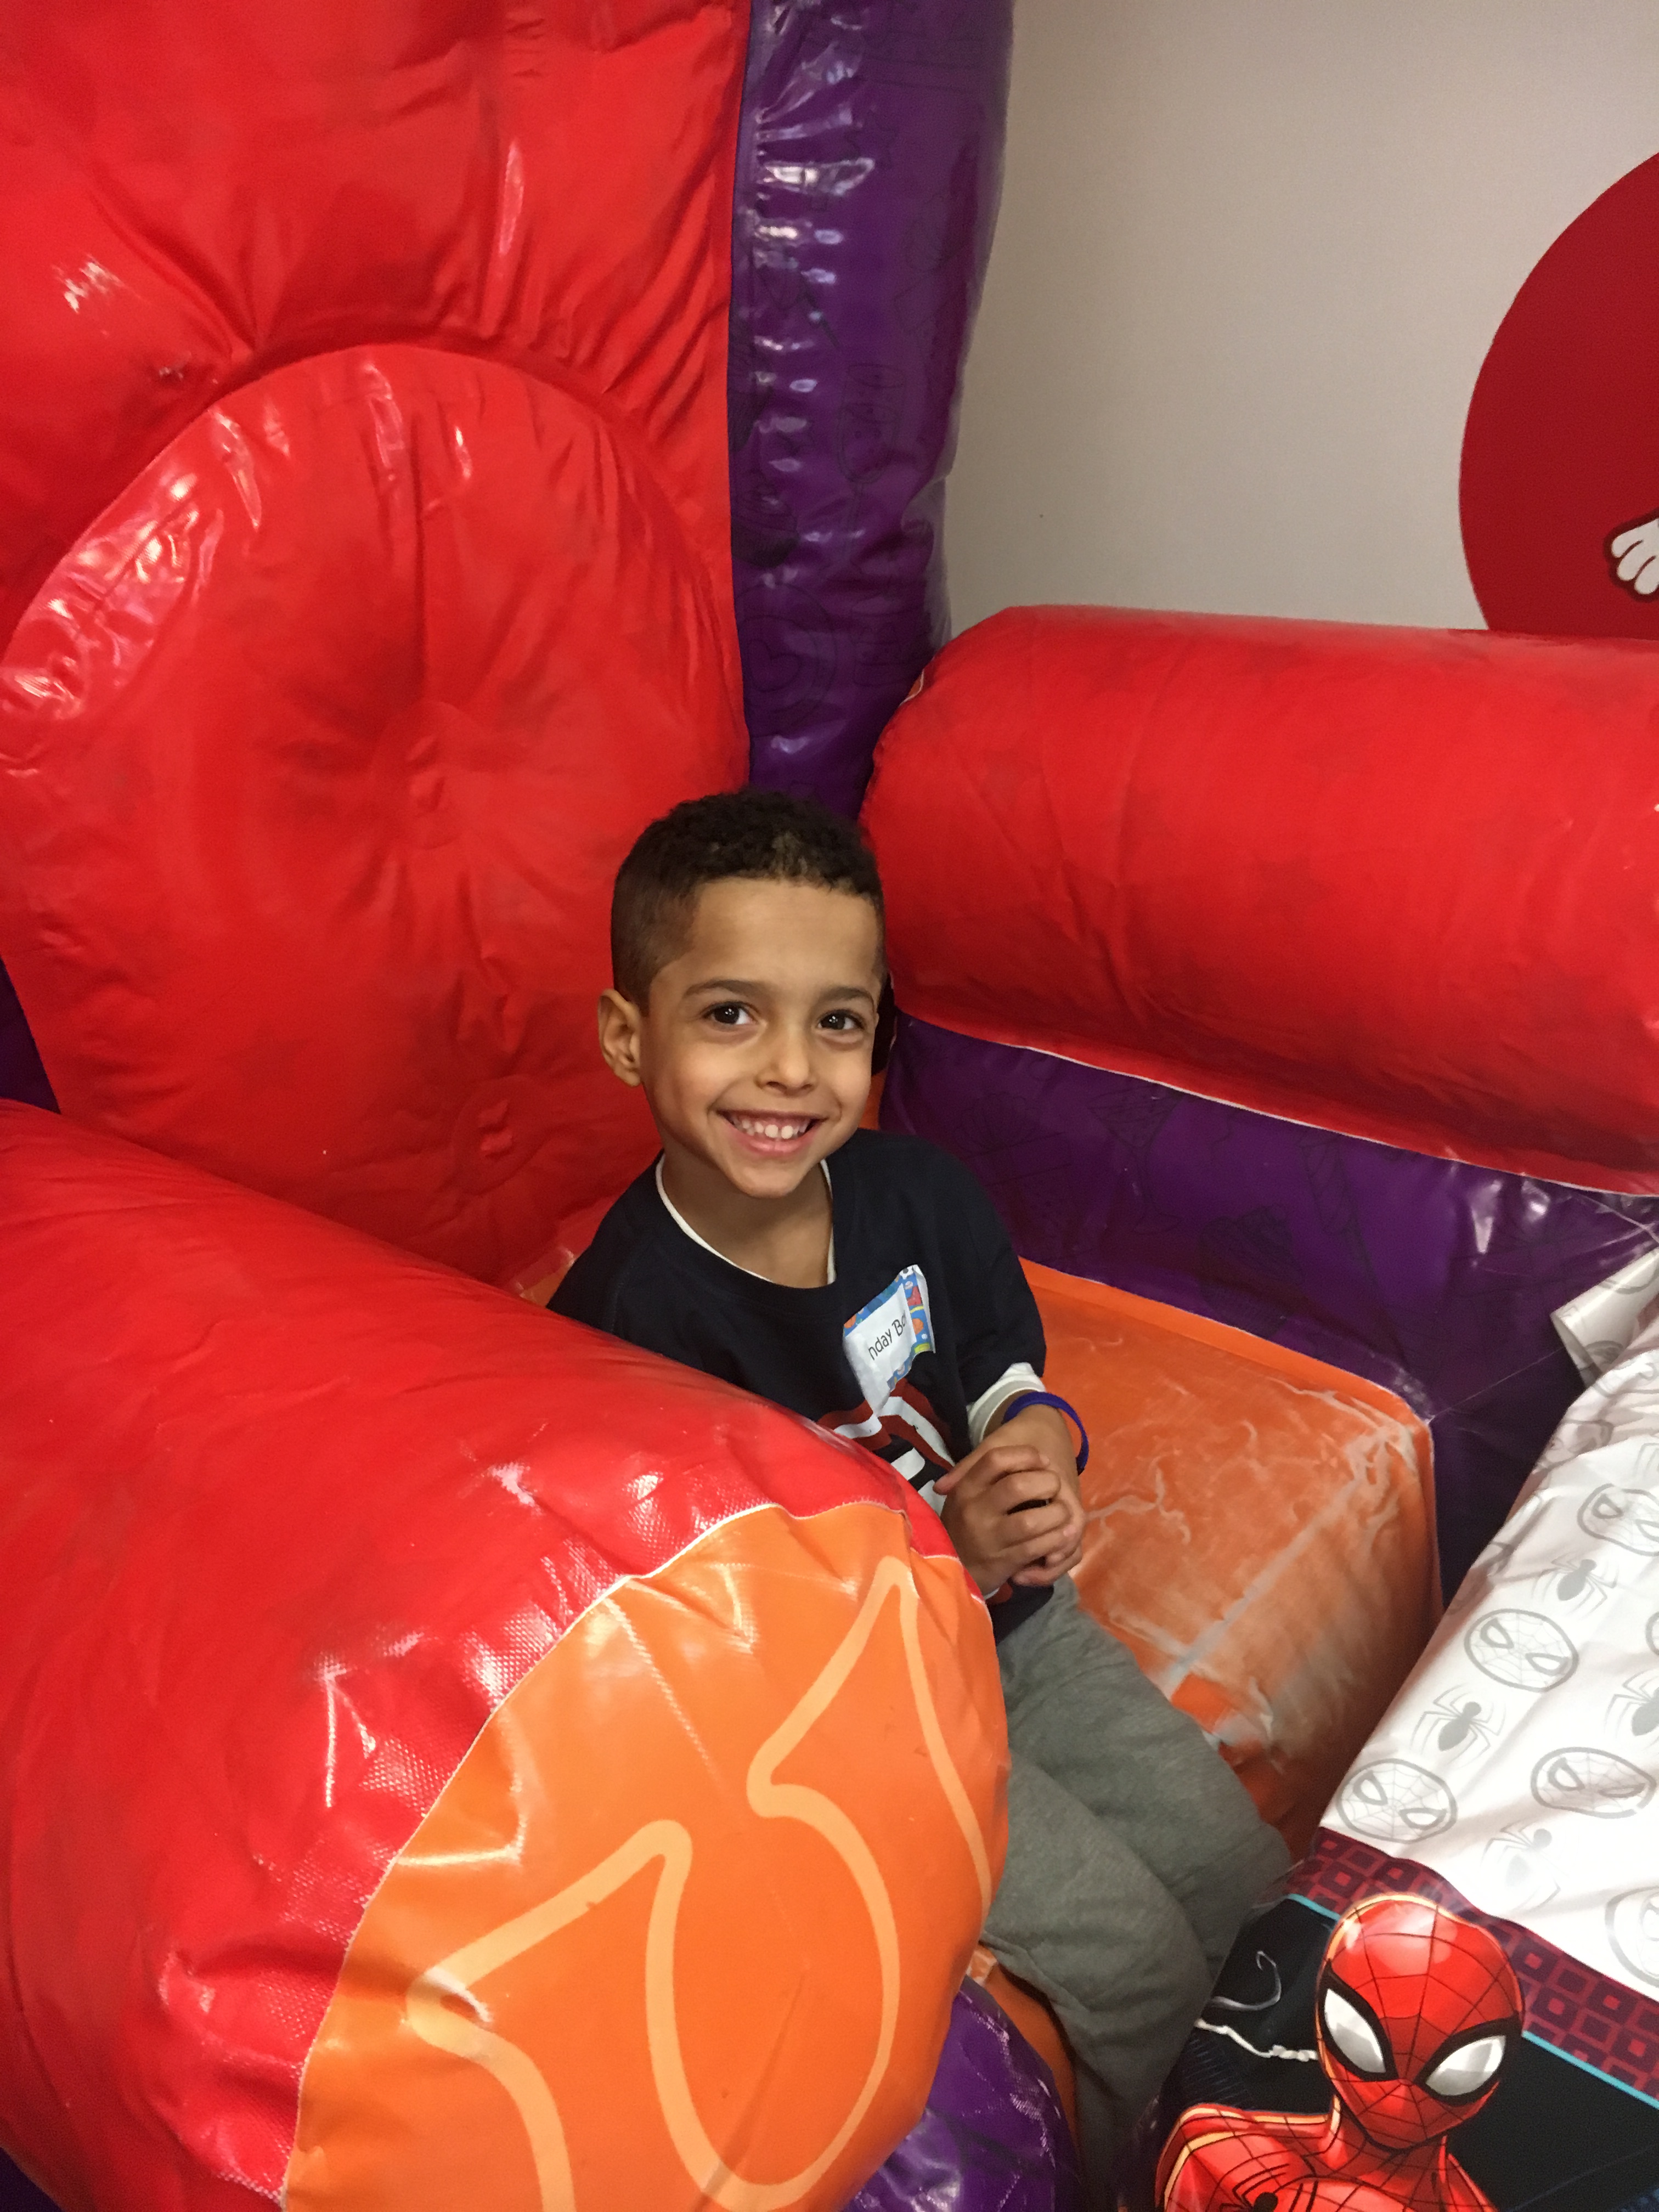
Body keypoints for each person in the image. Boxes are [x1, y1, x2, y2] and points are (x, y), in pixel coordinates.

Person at [552, 788, 1289, 2196]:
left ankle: (1292, 2145)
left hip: (1019, 1638)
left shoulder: (920, 1197)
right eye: (731, 1014)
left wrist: (1041, 1453)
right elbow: (723, 1642)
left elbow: (1008, 1377)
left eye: (838, 1021)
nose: (790, 1070)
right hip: (862, 1721)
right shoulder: (623, 1329)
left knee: (1239, 1872)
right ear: (628, 1035)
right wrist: (938, 1545)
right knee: (1135, 1960)